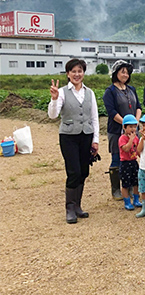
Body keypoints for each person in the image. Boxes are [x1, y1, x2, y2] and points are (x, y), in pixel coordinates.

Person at [48, 59, 100, 224]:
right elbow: (53, 115)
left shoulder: (89, 93)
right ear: (68, 74)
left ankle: (77, 206)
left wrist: (96, 140)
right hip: (69, 136)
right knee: (74, 171)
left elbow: (94, 118)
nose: (77, 74)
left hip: (86, 135)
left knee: (84, 172)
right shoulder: (62, 92)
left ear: (83, 73)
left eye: (80, 71)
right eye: (73, 71)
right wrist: (55, 99)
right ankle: (69, 208)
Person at [103, 60, 141, 201]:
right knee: (117, 158)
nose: (125, 74)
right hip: (116, 130)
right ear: (115, 73)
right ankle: (116, 189)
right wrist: (126, 124)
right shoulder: (110, 91)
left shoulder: (132, 89)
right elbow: (111, 112)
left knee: (131, 156)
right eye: (122, 71)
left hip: (132, 129)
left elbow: (138, 107)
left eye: (127, 72)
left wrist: (135, 123)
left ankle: (130, 186)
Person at [118, 114, 142, 211]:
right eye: (130, 127)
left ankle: (136, 199)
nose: (133, 129)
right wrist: (131, 139)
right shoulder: (122, 138)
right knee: (125, 184)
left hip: (134, 162)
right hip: (125, 163)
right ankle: (127, 201)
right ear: (124, 127)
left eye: (134, 127)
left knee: (136, 182)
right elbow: (126, 149)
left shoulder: (136, 138)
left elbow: (138, 150)